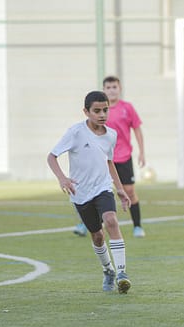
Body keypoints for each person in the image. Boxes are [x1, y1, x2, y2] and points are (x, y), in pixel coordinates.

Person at [47, 91, 132, 294]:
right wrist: (63, 178)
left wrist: (119, 189)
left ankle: (122, 274)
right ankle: (108, 271)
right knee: (97, 236)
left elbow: (109, 162)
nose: (102, 114)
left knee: (111, 220)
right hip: (80, 192)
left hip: (102, 187)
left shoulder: (111, 135)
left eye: (105, 110)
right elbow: (52, 157)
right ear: (86, 111)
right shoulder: (76, 132)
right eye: (96, 111)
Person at [72, 76, 146, 237]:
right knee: (94, 191)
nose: (112, 90)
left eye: (115, 87)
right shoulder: (99, 109)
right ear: (104, 90)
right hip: (101, 159)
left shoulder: (127, 108)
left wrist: (142, 151)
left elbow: (137, 129)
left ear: (120, 89)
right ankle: (87, 225)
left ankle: (137, 226)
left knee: (129, 191)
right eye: (108, 87)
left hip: (123, 156)